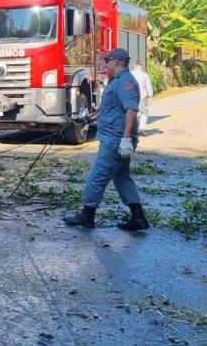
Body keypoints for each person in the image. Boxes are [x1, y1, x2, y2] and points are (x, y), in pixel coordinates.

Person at [63, 48, 149, 231]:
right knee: (122, 178)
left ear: (116, 62)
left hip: (116, 141)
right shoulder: (115, 82)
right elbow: (107, 110)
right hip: (114, 138)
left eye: (107, 61)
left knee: (97, 176)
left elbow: (132, 110)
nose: (105, 64)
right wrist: (86, 118)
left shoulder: (126, 82)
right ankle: (138, 218)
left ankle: (87, 215)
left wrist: (126, 139)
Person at [131, 60, 154, 136]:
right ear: (141, 66)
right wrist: (150, 96)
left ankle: (132, 128)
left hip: (131, 96)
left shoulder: (130, 74)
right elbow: (148, 87)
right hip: (142, 96)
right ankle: (141, 128)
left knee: (133, 112)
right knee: (144, 112)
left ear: (135, 65)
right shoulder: (145, 75)